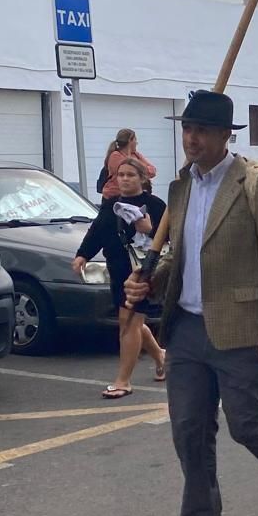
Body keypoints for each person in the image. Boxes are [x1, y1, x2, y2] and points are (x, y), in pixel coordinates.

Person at [123, 90, 258, 516]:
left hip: (242, 327)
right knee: (189, 430)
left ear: (224, 136)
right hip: (187, 328)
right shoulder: (180, 187)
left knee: (246, 423)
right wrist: (147, 283)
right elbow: (184, 255)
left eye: (202, 131)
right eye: (187, 129)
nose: (191, 139)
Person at [73, 156, 166, 397]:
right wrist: (83, 254)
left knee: (130, 322)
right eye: (121, 175)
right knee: (131, 322)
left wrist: (149, 230)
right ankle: (160, 357)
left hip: (144, 272)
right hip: (118, 270)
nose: (124, 179)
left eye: (130, 175)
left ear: (142, 179)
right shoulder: (111, 205)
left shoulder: (155, 205)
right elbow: (97, 232)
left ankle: (123, 381)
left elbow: (173, 237)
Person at [97, 128, 158, 200]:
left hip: (134, 195)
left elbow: (152, 171)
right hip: (114, 196)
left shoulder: (136, 155)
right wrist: (142, 168)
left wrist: (140, 169)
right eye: (135, 140)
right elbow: (130, 169)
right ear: (130, 140)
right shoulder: (115, 156)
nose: (137, 143)